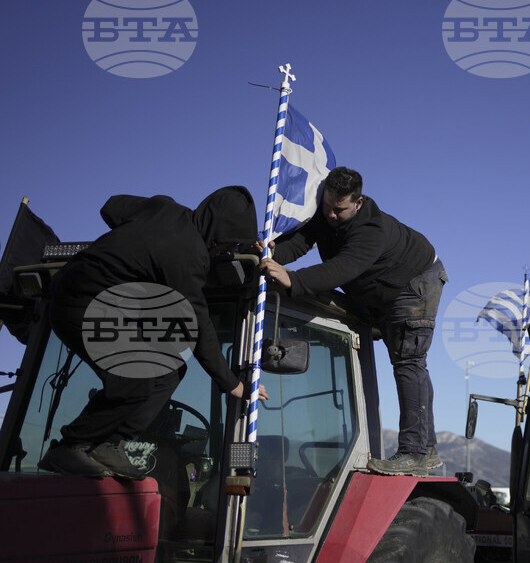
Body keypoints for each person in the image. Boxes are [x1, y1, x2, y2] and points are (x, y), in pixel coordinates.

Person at [40, 187, 268, 479]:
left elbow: (111, 207)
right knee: (137, 375)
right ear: (217, 233)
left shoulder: (165, 209)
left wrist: (136, 239)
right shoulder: (188, 258)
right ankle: (71, 446)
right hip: (80, 303)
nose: (227, 250)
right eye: (229, 244)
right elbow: (199, 328)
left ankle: (110, 443)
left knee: (168, 370)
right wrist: (233, 384)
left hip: (97, 304)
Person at [259, 167, 446, 477]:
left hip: (415, 283)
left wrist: (294, 280)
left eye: (340, 209)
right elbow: (301, 241)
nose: (331, 214)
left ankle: (415, 451)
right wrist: (272, 252)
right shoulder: (326, 215)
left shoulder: (371, 230)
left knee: (408, 361)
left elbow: (341, 268)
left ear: (358, 203)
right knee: (410, 361)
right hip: (380, 292)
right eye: (327, 206)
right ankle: (425, 450)